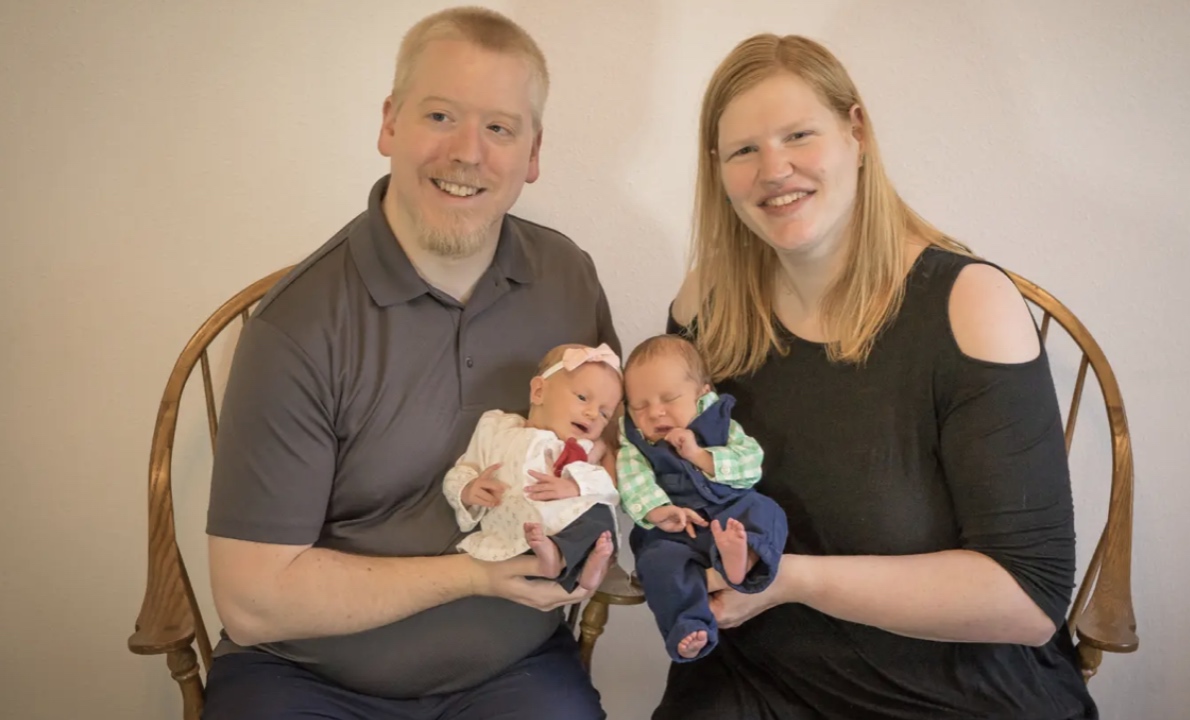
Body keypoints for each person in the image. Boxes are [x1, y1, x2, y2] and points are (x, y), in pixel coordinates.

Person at [652, 33, 1098, 719]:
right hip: (759, 673)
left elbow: (1028, 600)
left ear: (856, 132)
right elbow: (670, 474)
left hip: (953, 688)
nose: (774, 169)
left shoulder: (968, 303)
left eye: (798, 135)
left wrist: (789, 580)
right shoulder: (707, 301)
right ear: (718, 169)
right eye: (743, 150)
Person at [202, 7, 616, 719]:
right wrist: (474, 576)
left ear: (533, 152)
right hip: (306, 679)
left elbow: (613, 440)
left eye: (499, 128)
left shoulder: (566, 278)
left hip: (514, 670)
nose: (467, 153)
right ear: (390, 123)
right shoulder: (296, 326)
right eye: (440, 116)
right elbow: (252, 600)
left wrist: (594, 522)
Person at [615, 333, 787, 662]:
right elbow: (631, 479)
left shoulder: (721, 424)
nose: (656, 413)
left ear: (702, 395)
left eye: (669, 399)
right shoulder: (634, 443)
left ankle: (743, 558)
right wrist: (658, 511)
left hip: (731, 512)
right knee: (656, 563)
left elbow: (751, 464)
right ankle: (688, 626)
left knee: (767, 511)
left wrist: (699, 455)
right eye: (640, 406)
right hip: (675, 530)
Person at [443, 343, 623, 592]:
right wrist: (467, 489)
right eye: (582, 398)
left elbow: (607, 484)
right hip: (515, 524)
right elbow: (464, 469)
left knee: (599, 516)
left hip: (564, 522)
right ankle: (549, 557)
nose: (593, 414)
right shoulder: (496, 428)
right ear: (539, 391)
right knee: (544, 532)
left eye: (604, 414)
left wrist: (574, 486)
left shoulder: (585, 448)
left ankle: (585, 567)